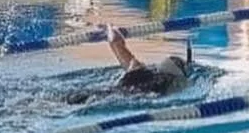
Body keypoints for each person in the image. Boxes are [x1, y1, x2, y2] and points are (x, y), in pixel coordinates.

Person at [65, 27, 193, 104]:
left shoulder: (138, 69)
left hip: (96, 93)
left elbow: (115, 42)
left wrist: (109, 27)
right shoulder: (166, 87)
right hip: (105, 100)